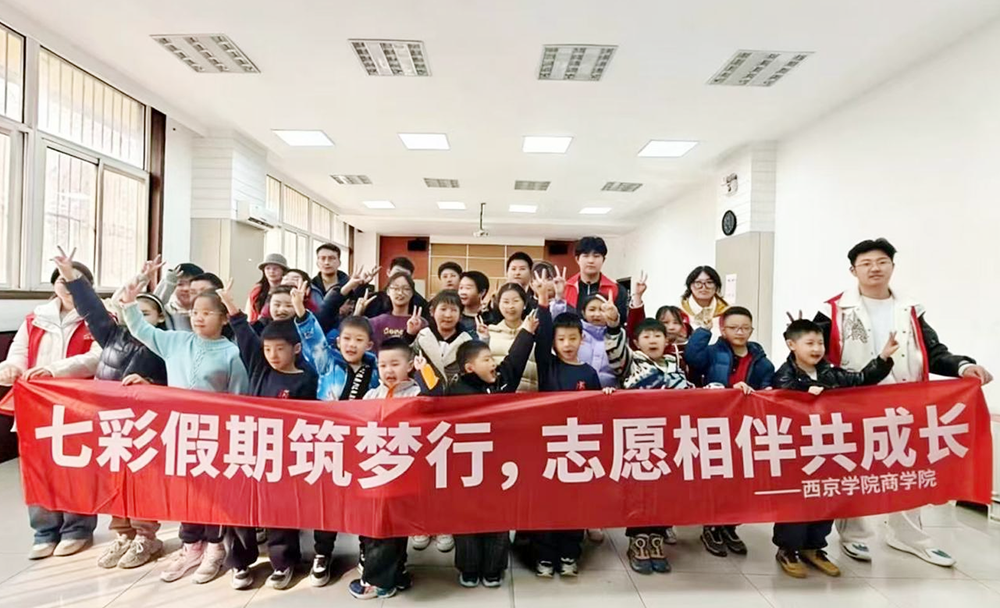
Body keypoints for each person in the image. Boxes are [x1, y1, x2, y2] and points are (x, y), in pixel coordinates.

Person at [812, 238, 992, 567]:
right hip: (853, 401)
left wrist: (963, 366)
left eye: (882, 262)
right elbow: (814, 352)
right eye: (866, 263)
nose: (875, 268)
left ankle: (907, 534)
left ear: (892, 266)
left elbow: (933, 351)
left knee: (907, 466)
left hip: (905, 402)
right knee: (854, 465)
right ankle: (854, 534)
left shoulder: (910, 309)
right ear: (853, 270)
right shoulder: (833, 310)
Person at [120, 282, 250, 584]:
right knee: (185, 491)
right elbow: (142, 329)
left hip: (215, 436)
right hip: (178, 431)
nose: (198, 318)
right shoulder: (176, 341)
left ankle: (215, 547)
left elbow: (239, 398)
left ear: (223, 318)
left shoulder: (232, 353)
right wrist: (128, 304)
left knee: (213, 494)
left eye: (206, 313)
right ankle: (191, 546)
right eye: (194, 312)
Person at [54, 250, 170, 569]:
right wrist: (71, 276)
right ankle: (123, 534)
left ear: (160, 318)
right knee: (112, 479)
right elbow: (91, 309)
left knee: (142, 481)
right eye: (134, 311)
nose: (138, 318)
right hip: (110, 422)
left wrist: (150, 384)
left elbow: (177, 384)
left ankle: (147, 536)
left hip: (145, 425)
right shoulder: (111, 335)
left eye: (146, 313)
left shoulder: (166, 343)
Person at [772, 318, 899, 578]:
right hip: (798, 451)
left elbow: (861, 379)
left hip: (830, 447)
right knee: (796, 501)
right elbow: (783, 393)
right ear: (792, 345)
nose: (816, 348)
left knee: (826, 497)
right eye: (809, 343)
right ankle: (788, 549)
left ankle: (814, 546)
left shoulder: (831, 372)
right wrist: (805, 390)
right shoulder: (784, 374)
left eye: (820, 343)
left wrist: (883, 359)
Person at [0, 256, 102, 560]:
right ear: (53, 284)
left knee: (75, 467)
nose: (67, 286)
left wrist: (54, 370)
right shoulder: (35, 318)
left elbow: (96, 357)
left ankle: (77, 529)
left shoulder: (97, 316)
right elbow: (19, 353)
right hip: (36, 406)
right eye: (61, 280)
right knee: (37, 468)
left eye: (75, 281)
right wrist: (10, 368)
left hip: (77, 406)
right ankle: (44, 531)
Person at [219, 280, 319, 590]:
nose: (272, 355)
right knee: (240, 506)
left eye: (279, 349)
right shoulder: (259, 367)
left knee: (280, 510)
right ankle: (240, 562)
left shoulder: (307, 378)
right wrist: (231, 305)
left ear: (296, 349)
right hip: (249, 447)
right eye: (267, 349)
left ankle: (283, 562)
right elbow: (244, 334)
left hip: (284, 454)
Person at [291, 283, 378, 585]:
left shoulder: (376, 370)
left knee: (365, 498)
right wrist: (301, 312)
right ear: (338, 341)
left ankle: (367, 549)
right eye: (347, 339)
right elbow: (313, 340)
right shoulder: (327, 363)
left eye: (359, 340)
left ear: (369, 344)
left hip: (365, 444)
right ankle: (322, 553)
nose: (352, 345)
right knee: (327, 500)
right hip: (329, 442)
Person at [530, 274, 613, 577]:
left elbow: (596, 412)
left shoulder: (589, 373)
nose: (567, 344)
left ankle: (569, 553)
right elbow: (542, 337)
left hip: (578, 448)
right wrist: (544, 302)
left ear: (582, 339)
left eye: (573, 338)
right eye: (561, 339)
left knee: (574, 502)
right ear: (554, 342)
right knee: (545, 503)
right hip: (547, 446)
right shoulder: (548, 365)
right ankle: (544, 555)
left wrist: (606, 396)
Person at [448, 312, 538, 588]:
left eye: (491, 358)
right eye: (486, 359)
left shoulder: (501, 382)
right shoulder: (456, 392)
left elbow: (515, 360)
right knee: (466, 521)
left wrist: (527, 331)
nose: (493, 363)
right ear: (469, 368)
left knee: (498, 519)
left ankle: (493, 568)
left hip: (500, 466)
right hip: (467, 468)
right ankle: (469, 568)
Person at [349, 339, 440, 600]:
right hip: (376, 475)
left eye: (395, 364)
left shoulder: (417, 393)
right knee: (377, 529)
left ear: (410, 365)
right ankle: (394, 575)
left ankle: (378, 583)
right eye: (383, 365)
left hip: (405, 474)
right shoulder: (371, 395)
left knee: (392, 530)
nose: (388, 370)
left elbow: (436, 399)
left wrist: (425, 371)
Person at [604, 305, 692, 574]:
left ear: (666, 340)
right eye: (647, 336)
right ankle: (638, 540)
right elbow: (615, 351)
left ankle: (657, 538)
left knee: (665, 489)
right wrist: (613, 325)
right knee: (639, 490)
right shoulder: (630, 362)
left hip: (670, 438)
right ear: (636, 341)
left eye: (657, 335)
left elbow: (692, 395)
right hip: (639, 438)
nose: (652, 340)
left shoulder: (676, 365)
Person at [685, 305, 774, 558]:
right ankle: (711, 526)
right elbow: (692, 357)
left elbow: (769, 387)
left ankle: (730, 526)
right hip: (715, 424)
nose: (740, 332)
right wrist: (703, 331)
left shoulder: (761, 360)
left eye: (745, 328)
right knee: (716, 477)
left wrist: (762, 393)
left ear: (752, 330)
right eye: (734, 328)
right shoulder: (713, 353)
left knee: (741, 479)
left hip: (745, 427)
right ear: (723, 329)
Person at [551, 269, 616, 388]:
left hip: (608, 393)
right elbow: (557, 323)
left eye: (602, 309)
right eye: (592, 309)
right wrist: (559, 297)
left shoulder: (615, 337)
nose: (597, 314)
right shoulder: (576, 331)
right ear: (583, 312)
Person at [411, 289, 478, 387]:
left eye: (453, 310)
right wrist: (409, 334)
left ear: (460, 315)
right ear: (432, 311)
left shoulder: (467, 341)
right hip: (427, 391)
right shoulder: (422, 337)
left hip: (458, 393)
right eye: (443, 309)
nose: (448, 315)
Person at [562, 236, 629, 325]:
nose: (591, 261)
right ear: (577, 259)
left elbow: (623, 323)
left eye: (596, 256)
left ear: (603, 260)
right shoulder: (565, 288)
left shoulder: (616, 289)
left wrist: (613, 318)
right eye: (586, 256)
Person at [487, 283, 539, 392]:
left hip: (530, 395)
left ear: (524, 304)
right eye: (506, 302)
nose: (510, 306)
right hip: (501, 396)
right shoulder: (489, 333)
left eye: (515, 301)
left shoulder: (535, 332)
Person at [368, 272, 427, 350]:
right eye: (396, 288)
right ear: (388, 291)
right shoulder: (376, 323)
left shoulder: (420, 323)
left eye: (406, 289)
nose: (400, 293)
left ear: (412, 293)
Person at [362, 257, 430, 319]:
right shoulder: (374, 299)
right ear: (388, 272)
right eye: (397, 273)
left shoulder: (419, 303)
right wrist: (361, 285)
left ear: (411, 278)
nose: (400, 278)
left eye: (405, 275)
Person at [680, 266, 729, 335]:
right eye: (698, 283)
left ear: (716, 286)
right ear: (690, 286)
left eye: (709, 282)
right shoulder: (679, 311)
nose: (703, 287)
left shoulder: (727, 312)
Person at [247, 253, 289, 323]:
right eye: (268, 268)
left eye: (275, 268)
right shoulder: (257, 290)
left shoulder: (288, 290)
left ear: (283, 271)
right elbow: (250, 312)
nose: (271, 271)